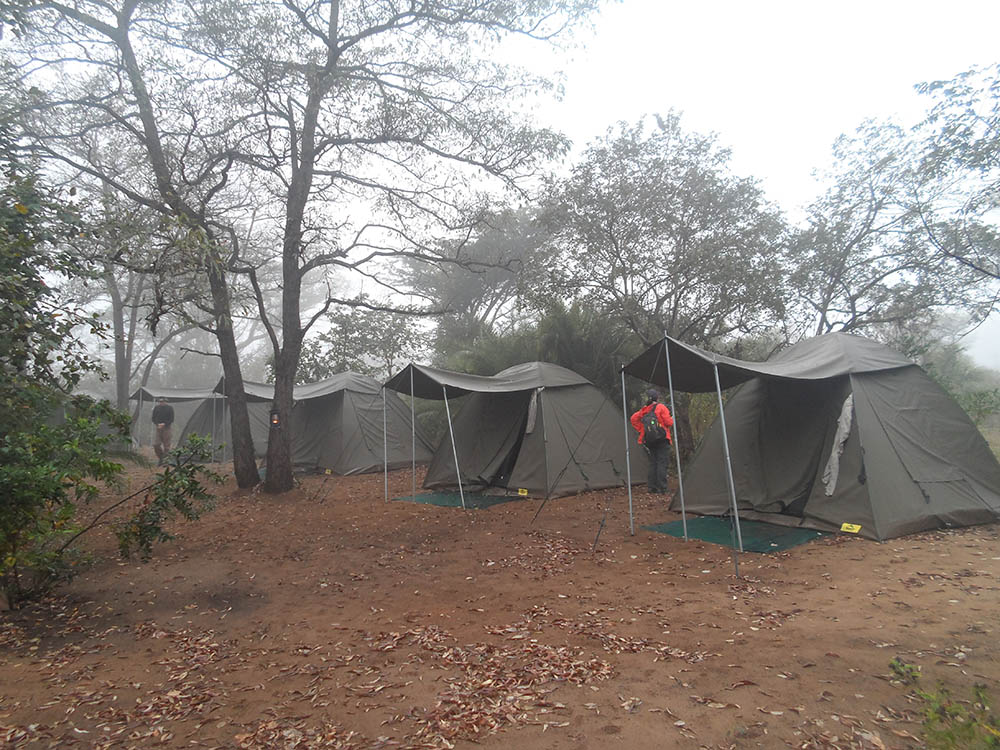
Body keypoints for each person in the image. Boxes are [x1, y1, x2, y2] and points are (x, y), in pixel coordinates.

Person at [630, 388, 674, 494]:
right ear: (657, 398)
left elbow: (633, 419)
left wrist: (642, 430)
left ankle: (652, 487)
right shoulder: (661, 407)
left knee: (653, 462)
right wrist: (671, 418)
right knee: (662, 462)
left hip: (650, 440)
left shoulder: (645, 410)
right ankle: (662, 488)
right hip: (663, 439)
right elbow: (669, 423)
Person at [151, 397, 175, 465]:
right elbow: (153, 418)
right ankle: (161, 458)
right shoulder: (156, 408)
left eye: (163, 401)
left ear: (166, 401)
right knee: (156, 444)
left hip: (167, 428)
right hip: (158, 428)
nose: (161, 403)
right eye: (160, 401)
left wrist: (164, 424)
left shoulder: (170, 408)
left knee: (166, 446)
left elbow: (171, 419)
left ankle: (165, 461)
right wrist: (157, 424)